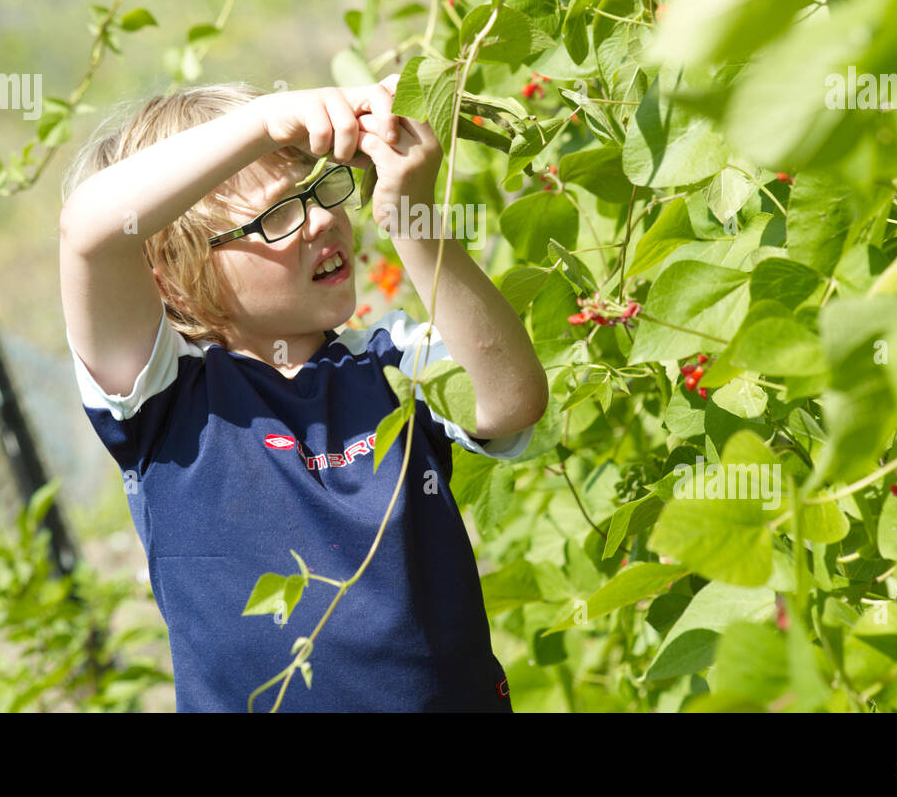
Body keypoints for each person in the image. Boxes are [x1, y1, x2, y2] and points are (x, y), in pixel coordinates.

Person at [58, 76, 549, 712]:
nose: (322, 220)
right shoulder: (164, 400)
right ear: (176, 284)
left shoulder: (393, 362)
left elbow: (510, 402)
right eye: (278, 214)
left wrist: (416, 224)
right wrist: (266, 121)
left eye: (319, 189)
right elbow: (89, 233)